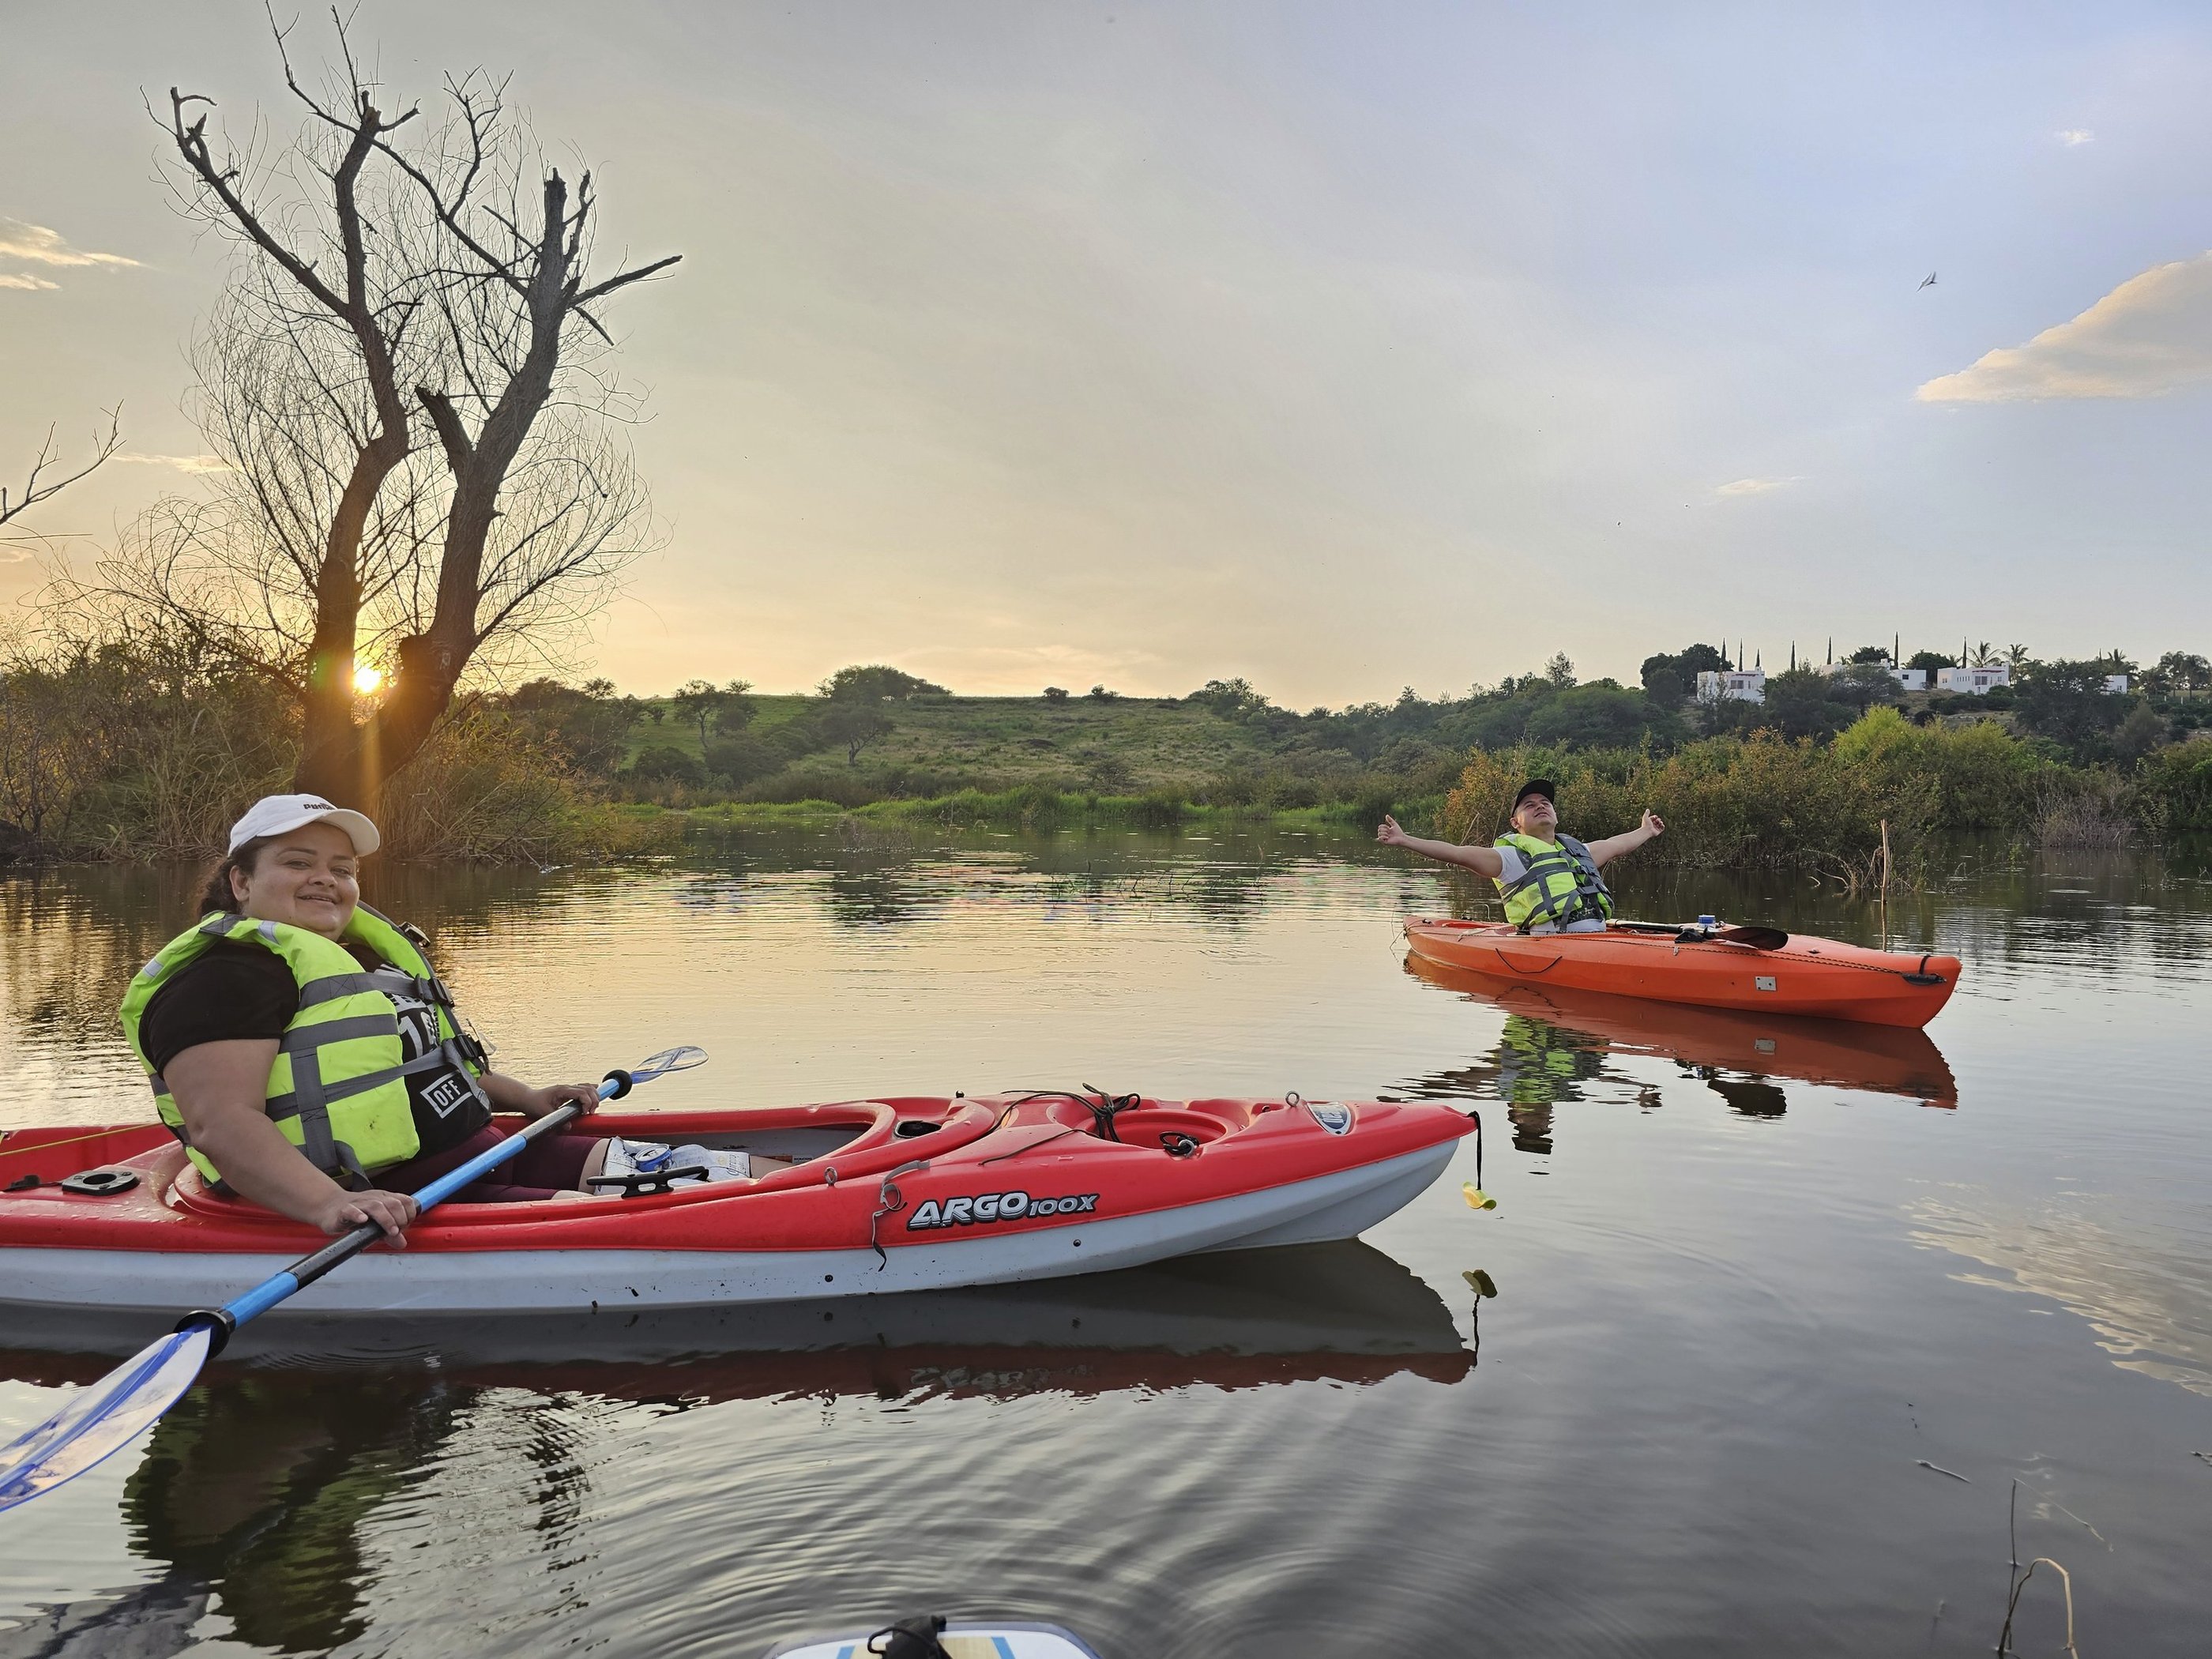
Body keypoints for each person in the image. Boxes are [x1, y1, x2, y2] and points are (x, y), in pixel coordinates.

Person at [118, 795, 771, 1245]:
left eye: (341, 870)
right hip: (415, 1201)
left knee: (728, 1172)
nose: (327, 881)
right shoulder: (221, 978)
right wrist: (332, 1205)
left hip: (495, 1154)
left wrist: (530, 1097)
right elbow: (220, 1124)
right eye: (298, 863)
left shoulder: (356, 964)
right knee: (686, 1213)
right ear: (239, 882)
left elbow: (427, 1068)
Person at [1375, 779, 1664, 934]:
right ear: (1516, 823)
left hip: (1600, 940)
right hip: (1552, 946)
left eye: (1545, 803)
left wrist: (1646, 831)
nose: (1540, 806)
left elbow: (1617, 844)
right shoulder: (1511, 858)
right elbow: (1456, 853)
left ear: (1555, 814)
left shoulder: (1579, 852)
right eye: (1529, 805)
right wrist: (1405, 840)